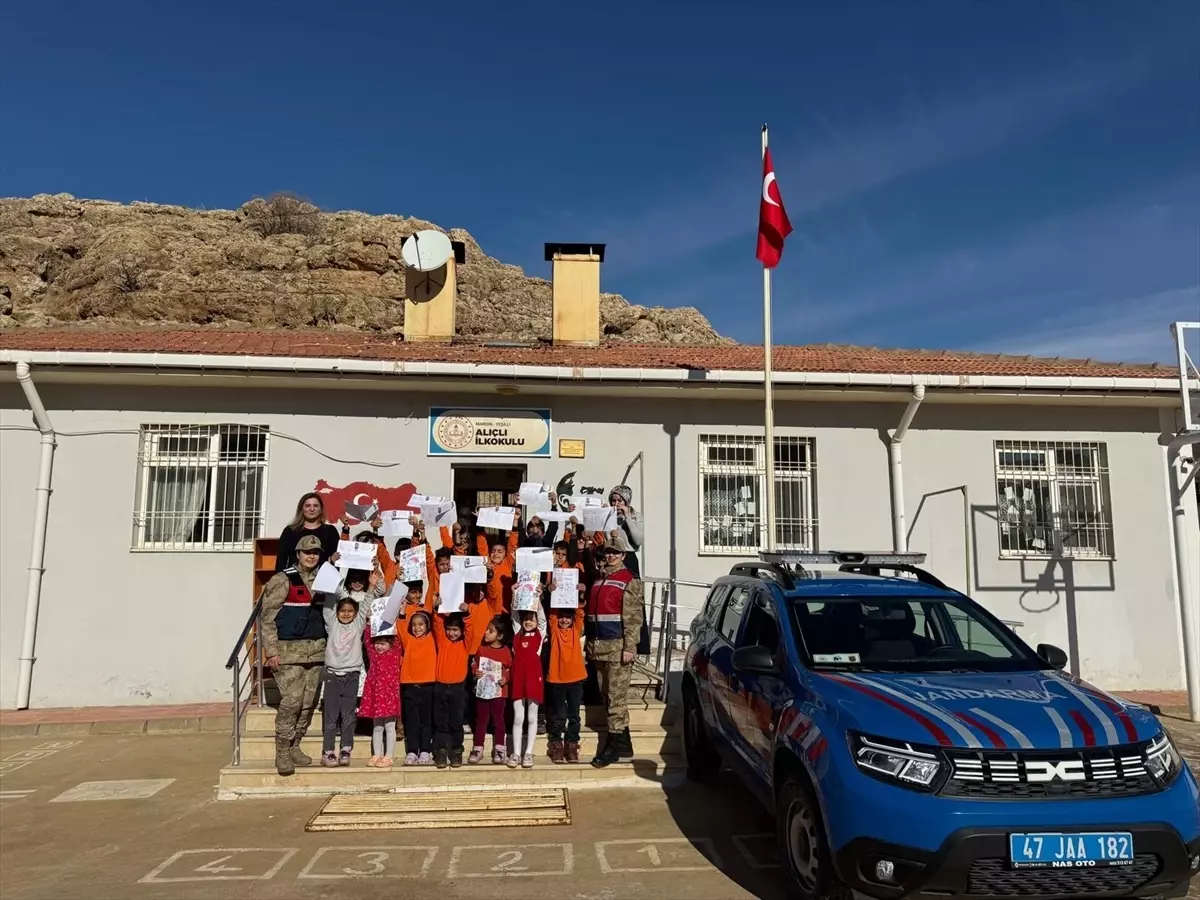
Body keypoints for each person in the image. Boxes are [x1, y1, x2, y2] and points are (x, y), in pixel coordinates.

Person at [260, 534, 328, 776]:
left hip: (317, 652)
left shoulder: (325, 579)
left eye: (316, 552)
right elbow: (267, 618)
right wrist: (271, 651)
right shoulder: (282, 579)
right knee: (292, 702)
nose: (311, 556)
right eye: (307, 552)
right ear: (298, 554)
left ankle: (296, 744)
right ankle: (283, 751)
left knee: (308, 704)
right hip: (288, 654)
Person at [586, 534, 645, 768]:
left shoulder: (628, 580)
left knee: (616, 698)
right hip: (599, 648)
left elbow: (633, 617)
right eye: (607, 553)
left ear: (623, 556)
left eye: (615, 553)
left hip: (618, 649)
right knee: (606, 696)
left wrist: (630, 646)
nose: (610, 556)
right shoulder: (600, 579)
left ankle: (611, 748)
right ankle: (625, 742)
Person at [320, 568, 379, 767]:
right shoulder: (332, 623)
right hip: (332, 676)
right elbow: (329, 602)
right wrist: (331, 572)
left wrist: (371, 585)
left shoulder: (358, 623)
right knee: (330, 716)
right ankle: (328, 751)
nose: (346, 614)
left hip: (352, 675)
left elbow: (366, 604)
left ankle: (346, 749)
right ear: (336, 613)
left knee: (348, 715)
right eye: (343, 611)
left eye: (350, 611)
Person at [432, 602, 483, 768]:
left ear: (461, 631)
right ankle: (441, 751)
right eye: (450, 629)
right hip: (440, 687)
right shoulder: (442, 641)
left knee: (456, 722)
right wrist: (438, 608)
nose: (451, 633)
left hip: (458, 689)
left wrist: (467, 613)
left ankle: (456, 751)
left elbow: (470, 630)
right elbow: (438, 624)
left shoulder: (465, 645)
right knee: (441, 722)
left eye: (455, 630)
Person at [545, 594, 587, 764]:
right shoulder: (554, 630)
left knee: (574, 715)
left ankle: (572, 744)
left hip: (576, 678)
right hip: (557, 678)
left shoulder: (575, 630)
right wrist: (556, 593)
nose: (564, 620)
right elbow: (552, 615)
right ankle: (556, 744)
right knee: (558, 715)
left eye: (567, 617)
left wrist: (578, 594)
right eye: (562, 617)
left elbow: (579, 614)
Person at [470, 615, 513, 764]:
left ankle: (500, 748)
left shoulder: (506, 651)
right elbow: (474, 664)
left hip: (499, 693)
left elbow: (509, 669)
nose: (486, 633)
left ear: (500, 635)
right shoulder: (481, 649)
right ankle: (478, 747)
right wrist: (476, 671)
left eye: (491, 631)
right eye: (487, 630)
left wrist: (505, 679)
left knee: (498, 719)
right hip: (483, 692)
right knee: (481, 720)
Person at [359, 622, 402, 768]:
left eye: (383, 644)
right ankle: (376, 754)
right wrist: (370, 625)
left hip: (389, 697)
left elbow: (397, 641)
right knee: (377, 727)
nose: (379, 646)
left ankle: (388, 756)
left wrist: (394, 624)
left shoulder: (394, 654)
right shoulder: (373, 655)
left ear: (390, 644)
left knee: (390, 726)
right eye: (377, 643)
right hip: (375, 697)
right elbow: (367, 640)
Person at [508, 606, 546, 768]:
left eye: (532, 619)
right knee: (518, 717)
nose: (528, 622)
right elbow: (515, 616)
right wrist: (515, 596)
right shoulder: (517, 634)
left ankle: (528, 752)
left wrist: (537, 600)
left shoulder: (540, 634)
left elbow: (543, 620)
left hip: (534, 679)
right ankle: (516, 753)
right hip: (518, 679)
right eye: (526, 619)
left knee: (532, 717)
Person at [398, 609, 436, 765]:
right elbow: (400, 628)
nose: (417, 628)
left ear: (427, 626)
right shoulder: (409, 640)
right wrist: (401, 614)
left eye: (421, 624)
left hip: (428, 686)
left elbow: (439, 626)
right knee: (412, 721)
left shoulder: (433, 639)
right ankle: (412, 751)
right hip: (410, 687)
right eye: (414, 625)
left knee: (426, 721)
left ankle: (425, 750)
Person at [276, 493, 341, 571]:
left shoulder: (330, 531)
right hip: (296, 579)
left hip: (323, 578)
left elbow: (337, 559)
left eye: (315, 506)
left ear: (321, 509)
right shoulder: (290, 531)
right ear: (301, 509)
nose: (312, 509)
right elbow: (282, 560)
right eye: (308, 506)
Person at [607, 485, 643, 578]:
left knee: (631, 588)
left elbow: (638, 540)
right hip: (610, 557)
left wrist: (627, 517)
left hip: (628, 557)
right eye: (613, 501)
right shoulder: (608, 515)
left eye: (620, 501)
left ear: (626, 502)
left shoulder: (636, 516)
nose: (616, 504)